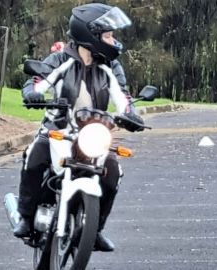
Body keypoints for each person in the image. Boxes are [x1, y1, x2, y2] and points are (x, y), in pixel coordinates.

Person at [13, 3, 144, 252]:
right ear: (89, 34)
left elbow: (123, 98)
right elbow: (39, 81)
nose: (113, 40)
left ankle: (94, 230)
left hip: (94, 133)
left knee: (113, 170)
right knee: (35, 154)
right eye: (108, 35)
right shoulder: (61, 59)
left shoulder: (111, 67)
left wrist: (131, 115)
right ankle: (26, 217)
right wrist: (32, 93)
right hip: (59, 129)